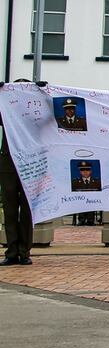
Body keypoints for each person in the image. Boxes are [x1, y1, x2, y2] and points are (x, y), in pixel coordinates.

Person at [0, 94, 34, 266]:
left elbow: (50, 119)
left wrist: (44, 93)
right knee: (10, 208)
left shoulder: (34, 113)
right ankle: (11, 251)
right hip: (8, 163)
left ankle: (24, 251)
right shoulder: (6, 111)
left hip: (31, 164)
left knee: (27, 210)